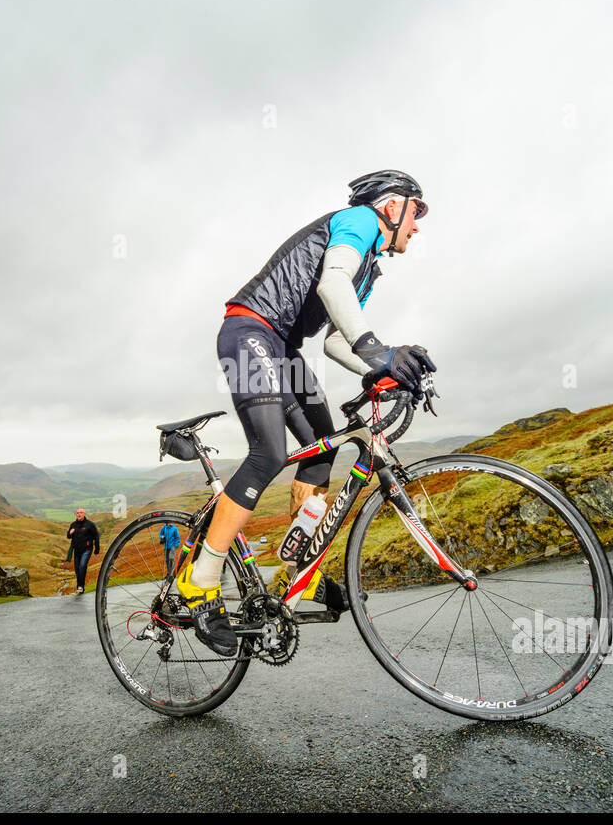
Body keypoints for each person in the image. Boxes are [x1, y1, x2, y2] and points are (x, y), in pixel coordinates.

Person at [177, 170, 436, 655]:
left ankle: (297, 571)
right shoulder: (358, 221)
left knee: (323, 446)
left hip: (281, 347)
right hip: (248, 331)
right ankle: (201, 580)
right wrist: (377, 349)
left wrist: (388, 367)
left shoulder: (369, 267)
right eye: (416, 210)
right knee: (269, 452)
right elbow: (331, 285)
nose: (418, 225)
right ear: (390, 206)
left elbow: (338, 339)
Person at [67, 508, 100, 594]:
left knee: (82, 566)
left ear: (84, 514)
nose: (79, 514)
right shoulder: (73, 525)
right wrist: (70, 533)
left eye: (81, 513)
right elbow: (68, 536)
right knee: (77, 569)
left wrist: (97, 548)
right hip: (76, 550)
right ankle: (80, 587)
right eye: (77, 513)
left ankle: (80, 587)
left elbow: (96, 536)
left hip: (87, 549)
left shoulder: (90, 525)